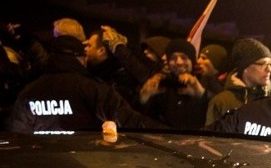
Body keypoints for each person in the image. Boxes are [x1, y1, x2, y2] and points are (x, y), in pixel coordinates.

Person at [7, 35, 161, 133]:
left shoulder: (29, 91)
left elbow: (17, 133)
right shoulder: (91, 88)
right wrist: (175, 135)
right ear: (81, 58)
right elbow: (130, 121)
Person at [138, 38, 208, 129]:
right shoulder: (161, 84)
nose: (178, 62)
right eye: (173, 58)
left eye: (184, 57)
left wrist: (201, 95)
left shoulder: (204, 83)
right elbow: (144, 121)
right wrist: (143, 98)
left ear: (192, 61)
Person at [205, 38, 271, 126]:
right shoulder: (221, 102)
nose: (269, 69)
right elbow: (210, 138)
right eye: (262, 64)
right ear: (245, 68)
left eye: (270, 64)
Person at [84, 28, 139, 104]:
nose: (85, 49)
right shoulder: (91, 71)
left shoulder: (119, 82)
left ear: (101, 51)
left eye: (89, 45)